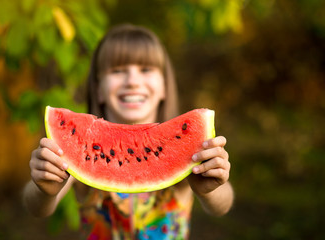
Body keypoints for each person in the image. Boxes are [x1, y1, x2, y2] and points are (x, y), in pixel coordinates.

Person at [23, 23, 234, 239]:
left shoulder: (188, 151)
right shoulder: (82, 147)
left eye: (146, 70)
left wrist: (212, 190)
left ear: (163, 86)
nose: (132, 81)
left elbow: (222, 205)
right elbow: (37, 208)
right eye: (117, 71)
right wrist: (43, 190)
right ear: (99, 90)